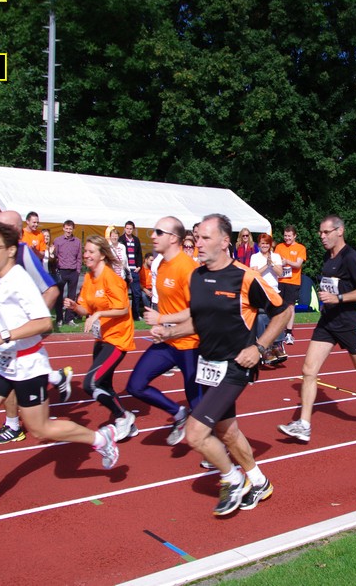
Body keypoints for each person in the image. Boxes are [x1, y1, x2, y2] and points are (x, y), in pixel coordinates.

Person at [0, 222, 119, 513]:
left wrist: (3, 335)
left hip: (27, 364)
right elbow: (9, 310)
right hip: (1, 361)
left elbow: (44, 323)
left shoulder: (19, 280)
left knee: (41, 429)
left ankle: (100, 438)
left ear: (11, 251)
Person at [150, 213, 291, 515]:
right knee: (227, 431)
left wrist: (259, 347)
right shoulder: (197, 277)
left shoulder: (245, 277)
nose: (198, 243)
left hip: (236, 365)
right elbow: (200, 322)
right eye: (197, 237)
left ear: (225, 241)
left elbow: (283, 311)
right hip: (208, 365)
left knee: (195, 433)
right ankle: (259, 481)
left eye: (205, 238)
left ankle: (232, 478)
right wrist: (169, 333)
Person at [278, 215, 356, 443]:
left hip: (348, 322)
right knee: (308, 370)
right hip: (328, 321)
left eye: (326, 232)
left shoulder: (350, 257)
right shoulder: (327, 256)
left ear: (340, 231)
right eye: (320, 232)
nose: (321, 236)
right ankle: (304, 425)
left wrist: (338, 298)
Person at [0, 210, 71, 444]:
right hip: (5, 334)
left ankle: (98, 438)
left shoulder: (24, 254)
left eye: (2, 227)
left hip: (21, 332)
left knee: (40, 425)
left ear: (16, 230)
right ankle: (54, 379)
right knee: (4, 378)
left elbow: (52, 290)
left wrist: (34, 321)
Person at [127, 217, 203, 447]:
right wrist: (161, 325)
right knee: (135, 385)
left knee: (198, 404)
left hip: (190, 343)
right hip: (168, 342)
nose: (152, 236)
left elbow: (197, 311)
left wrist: (162, 320)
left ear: (173, 238)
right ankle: (178, 413)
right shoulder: (160, 264)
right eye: (153, 231)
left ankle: (218, 449)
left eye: (158, 232)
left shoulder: (187, 267)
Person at [63, 235, 138, 440]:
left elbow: (123, 309)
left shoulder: (111, 278)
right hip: (102, 338)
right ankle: (128, 425)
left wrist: (99, 314)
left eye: (91, 252)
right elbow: (85, 308)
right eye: (85, 251)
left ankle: (123, 416)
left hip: (117, 338)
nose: (86, 255)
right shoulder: (89, 277)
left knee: (91, 384)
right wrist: (75, 307)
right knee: (104, 384)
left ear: (102, 255)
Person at [249, 233, 288, 364]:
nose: (264, 246)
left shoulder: (276, 256)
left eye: (267, 243)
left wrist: (272, 264)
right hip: (261, 292)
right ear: (259, 245)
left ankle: (277, 345)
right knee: (261, 318)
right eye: (262, 243)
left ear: (270, 245)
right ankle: (265, 348)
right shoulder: (255, 257)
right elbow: (254, 273)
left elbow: (280, 273)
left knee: (277, 317)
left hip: (274, 291)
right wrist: (266, 265)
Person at [275, 225, 307, 345]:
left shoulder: (300, 248)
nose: (287, 238)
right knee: (278, 307)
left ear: (294, 236)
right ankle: (277, 331)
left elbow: (298, 264)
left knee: (290, 307)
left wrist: (287, 262)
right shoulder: (279, 247)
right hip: (280, 281)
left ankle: (288, 333)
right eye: (285, 236)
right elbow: (275, 262)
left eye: (289, 236)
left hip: (293, 281)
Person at [54, 220, 82, 327]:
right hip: (61, 271)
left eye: (70, 229)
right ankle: (59, 319)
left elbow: (79, 258)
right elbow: (55, 256)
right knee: (59, 296)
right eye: (67, 228)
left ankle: (69, 319)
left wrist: (78, 271)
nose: (68, 231)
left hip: (73, 272)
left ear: (73, 229)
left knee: (71, 296)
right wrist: (56, 270)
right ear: (63, 228)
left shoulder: (77, 241)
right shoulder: (58, 241)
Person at [121, 221, 144, 321]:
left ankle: (136, 315)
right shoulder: (121, 239)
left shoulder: (136, 240)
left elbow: (139, 254)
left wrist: (139, 266)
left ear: (133, 229)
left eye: (130, 229)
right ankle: (123, 315)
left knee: (136, 293)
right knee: (123, 293)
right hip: (125, 270)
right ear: (124, 228)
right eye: (127, 228)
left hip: (134, 270)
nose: (129, 230)